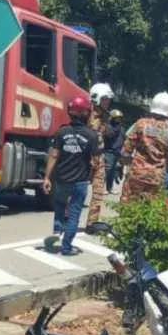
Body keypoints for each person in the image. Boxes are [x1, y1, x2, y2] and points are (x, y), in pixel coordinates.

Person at [43, 95, 100, 255]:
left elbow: (54, 155)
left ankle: (57, 230)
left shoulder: (62, 132)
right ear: (86, 114)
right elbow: (95, 161)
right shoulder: (92, 135)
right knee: (74, 214)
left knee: (60, 206)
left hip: (61, 179)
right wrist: (91, 176)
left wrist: (47, 177)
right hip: (80, 182)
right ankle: (66, 247)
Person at [120, 92, 168, 202]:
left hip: (137, 174)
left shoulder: (140, 124)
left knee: (129, 206)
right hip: (156, 178)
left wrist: (124, 165)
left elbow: (126, 151)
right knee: (150, 208)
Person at [84, 82, 113, 230]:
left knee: (98, 192)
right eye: (105, 99)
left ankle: (92, 224)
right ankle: (67, 219)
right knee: (78, 190)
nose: (108, 102)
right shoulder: (86, 113)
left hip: (99, 156)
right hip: (85, 157)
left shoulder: (106, 116)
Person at [104, 109, 125, 193]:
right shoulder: (109, 127)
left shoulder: (122, 128)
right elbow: (109, 136)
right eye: (116, 118)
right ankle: (103, 188)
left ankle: (110, 188)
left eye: (119, 118)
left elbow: (123, 139)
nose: (118, 120)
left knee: (113, 171)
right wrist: (116, 128)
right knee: (107, 170)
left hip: (118, 152)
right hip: (109, 152)